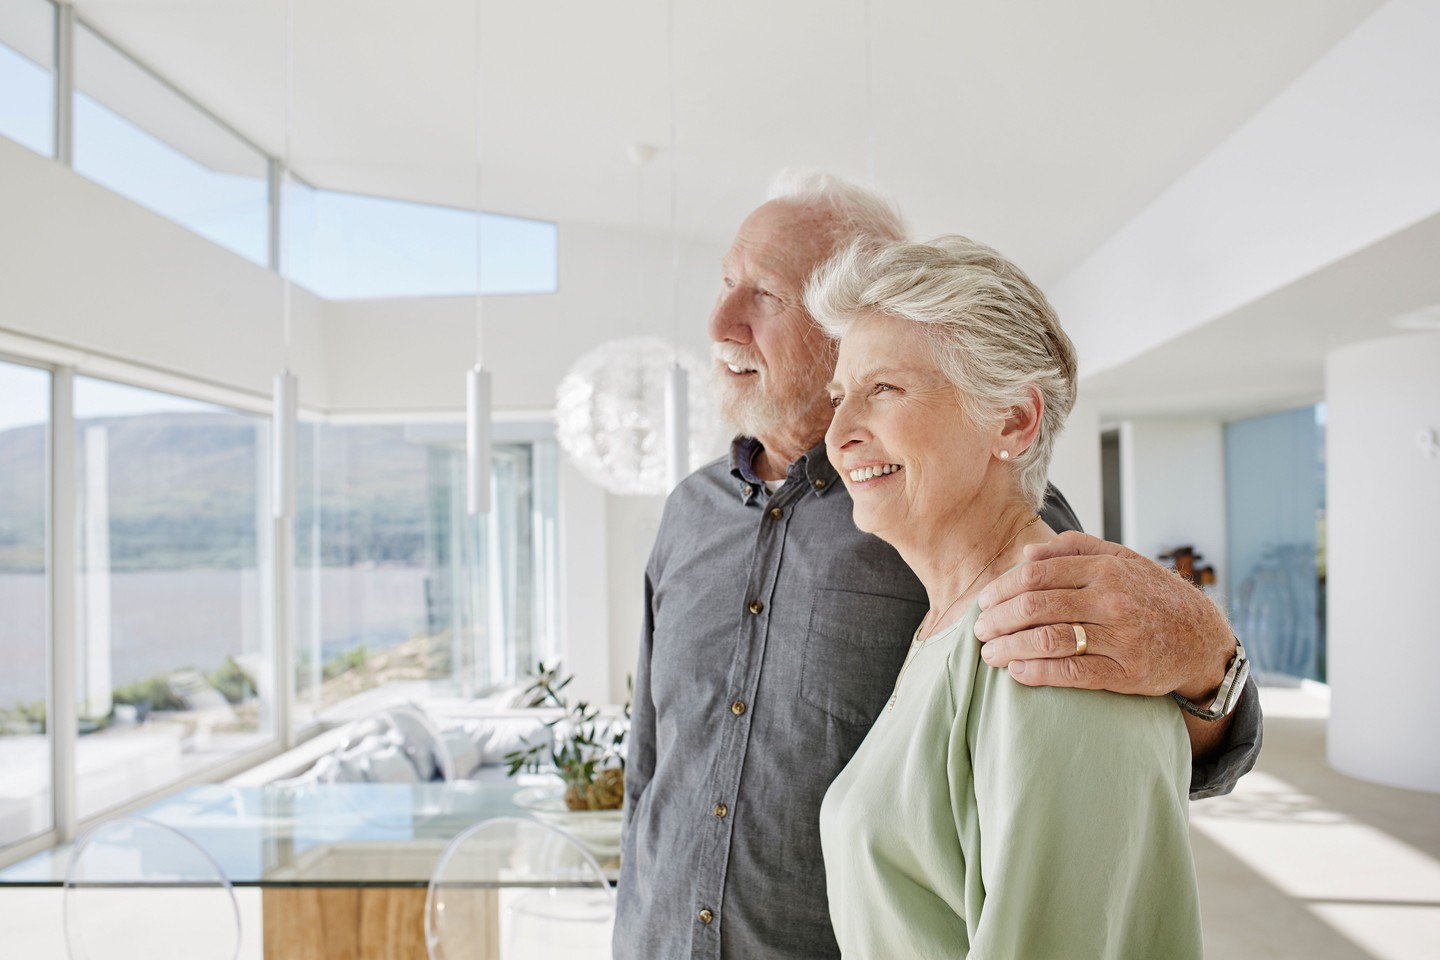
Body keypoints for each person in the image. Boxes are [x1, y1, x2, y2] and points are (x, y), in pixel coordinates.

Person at [614, 172, 1260, 960]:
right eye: (725, 284)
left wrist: (1208, 661)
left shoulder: (985, 526)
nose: (720, 323)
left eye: (767, 294)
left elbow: (1108, 731)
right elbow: (649, 762)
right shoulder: (690, 512)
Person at [813, 234, 1200, 958]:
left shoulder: (1054, 643)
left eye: (883, 390)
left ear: (1014, 421)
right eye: (839, 398)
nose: (837, 435)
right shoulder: (952, 621)